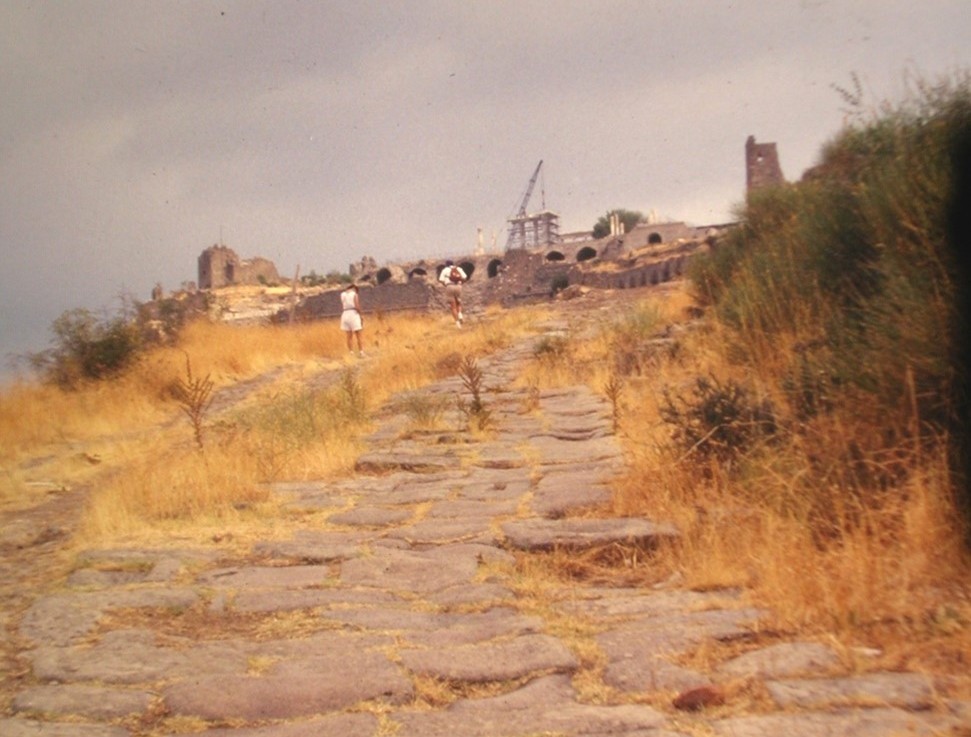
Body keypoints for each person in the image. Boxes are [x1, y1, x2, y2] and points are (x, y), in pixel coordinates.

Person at [438, 259, 467, 327]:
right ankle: (460, 315)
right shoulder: (459, 269)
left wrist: (445, 285)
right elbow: (465, 277)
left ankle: (458, 324)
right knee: (458, 302)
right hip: (458, 286)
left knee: (453, 307)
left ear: (446, 265)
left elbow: (441, 280)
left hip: (449, 286)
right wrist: (461, 283)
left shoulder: (445, 270)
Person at [340, 283, 364, 356]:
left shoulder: (342, 294)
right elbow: (357, 305)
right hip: (353, 313)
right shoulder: (354, 294)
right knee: (358, 334)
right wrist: (361, 314)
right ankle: (361, 352)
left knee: (349, 336)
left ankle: (351, 352)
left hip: (345, 313)